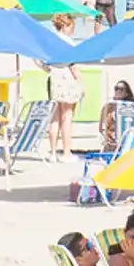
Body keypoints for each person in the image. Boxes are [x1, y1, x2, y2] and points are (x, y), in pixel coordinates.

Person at [47, 14, 83, 162]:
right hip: (67, 78)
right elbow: (72, 64)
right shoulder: (68, 42)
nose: (72, 31)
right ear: (65, 26)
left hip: (54, 78)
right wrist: (80, 81)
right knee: (67, 116)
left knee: (55, 116)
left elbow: (42, 61)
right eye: (71, 27)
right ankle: (66, 153)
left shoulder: (50, 41)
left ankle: (53, 153)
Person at [100, 80, 134, 151]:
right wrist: (109, 138)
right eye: (116, 88)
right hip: (113, 142)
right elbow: (101, 128)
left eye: (121, 89)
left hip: (130, 141)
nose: (118, 91)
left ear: (127, 93)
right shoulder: (108, 107)